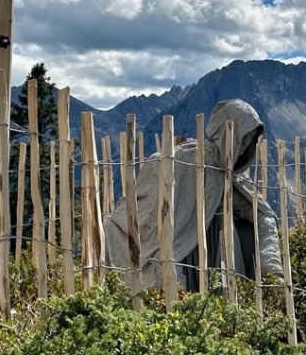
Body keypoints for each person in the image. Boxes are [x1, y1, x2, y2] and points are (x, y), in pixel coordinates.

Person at [104, 99, 283, 292]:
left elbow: (260, 213)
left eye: (249, 141)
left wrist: (271, 267)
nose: (243, 147)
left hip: (216, 254)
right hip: (186, 255)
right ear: (225, 133)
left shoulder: (234, 177)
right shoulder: (184, 160)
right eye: (242, 138)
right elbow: (146, 211)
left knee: (235, 227)